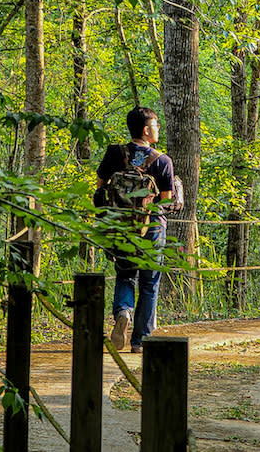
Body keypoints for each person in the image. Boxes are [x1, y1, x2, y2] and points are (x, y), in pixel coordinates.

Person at [96, 106, 175, 353]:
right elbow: (166, 200)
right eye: (155, 124)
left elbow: (100, 188)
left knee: (125, 275)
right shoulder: (162, 161)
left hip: (121, 227)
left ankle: (123, 312)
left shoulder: (114, 153)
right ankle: (140, 341)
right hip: (151, 229)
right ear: (145, 129)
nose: (158, 128)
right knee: (149, 283)